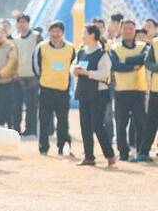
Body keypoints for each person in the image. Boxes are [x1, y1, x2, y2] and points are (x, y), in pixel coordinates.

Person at [72, 24, 115, 166]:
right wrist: (75, 70)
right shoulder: (81, 51)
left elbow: (105, 75)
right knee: (85, 126)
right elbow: (73, 66)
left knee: (97, 125)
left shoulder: (103, 54)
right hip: (84, 93)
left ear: (92, 35)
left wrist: (87, 73)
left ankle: (110, 156)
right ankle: (89, 157)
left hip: (98, 94)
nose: (82, 35)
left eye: (84, 33)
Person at [33, 20, 75, 156]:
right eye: (53, 31)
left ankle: (62, 146)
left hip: (63, 90)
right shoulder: (42, 47)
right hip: (46, 89)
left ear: (63, 33)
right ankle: (43, 147)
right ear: (49, 32)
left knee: (63, 121)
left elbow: (73, 66)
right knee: (44, 120)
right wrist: (44, 78)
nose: (55, 34)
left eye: (58, 31)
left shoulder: (70, 48)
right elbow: (36, 66)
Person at [109, 20, 148, 161]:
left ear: (135, 30)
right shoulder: (114, 47)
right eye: (125, 28)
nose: (127, 31)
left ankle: (141, 152)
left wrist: (125, 60)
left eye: (131, 28)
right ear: (120, 30)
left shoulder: (143, 46)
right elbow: (115, 66)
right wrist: (132, 66)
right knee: (121, 124)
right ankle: (123, 153)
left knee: (141, 123)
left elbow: (144, 58)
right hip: (121, 91)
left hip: (138, 91)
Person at [12, 14, 42, 137]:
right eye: (19, 22)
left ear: (28, 23)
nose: (21, 24)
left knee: (31, 106)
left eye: (24, 22)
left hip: (33, 77)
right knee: (16, 105)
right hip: (18, 77)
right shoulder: (16, 39)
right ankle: (16, 129)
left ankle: (31, 130)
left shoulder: (36, 36)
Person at [0, 26, 18, 128]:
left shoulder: (11, 46)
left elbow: (12, 62)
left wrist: (1, 73)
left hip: (7, 81)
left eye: (2, 33)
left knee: (7, 106)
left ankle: (9, 126)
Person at [136, 34, 158, 161]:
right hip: (156, 90)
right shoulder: (155, 42)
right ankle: (144, 152)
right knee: (151, 122)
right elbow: (148, 62)